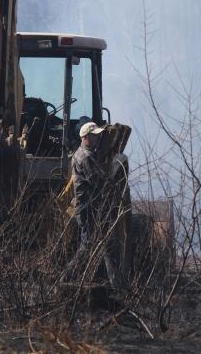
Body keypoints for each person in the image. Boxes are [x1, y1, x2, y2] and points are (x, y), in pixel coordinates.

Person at [65, 121, 122, 287]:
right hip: (86, 207)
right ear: (85, 137)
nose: (98, 137)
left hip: (88, 206)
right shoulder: (86, 157)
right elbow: (98, 181)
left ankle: (111, 281)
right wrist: (112, 179)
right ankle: (67, 278)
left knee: (100, 242)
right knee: (88, 244)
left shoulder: (81, 154)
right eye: (94, 135)